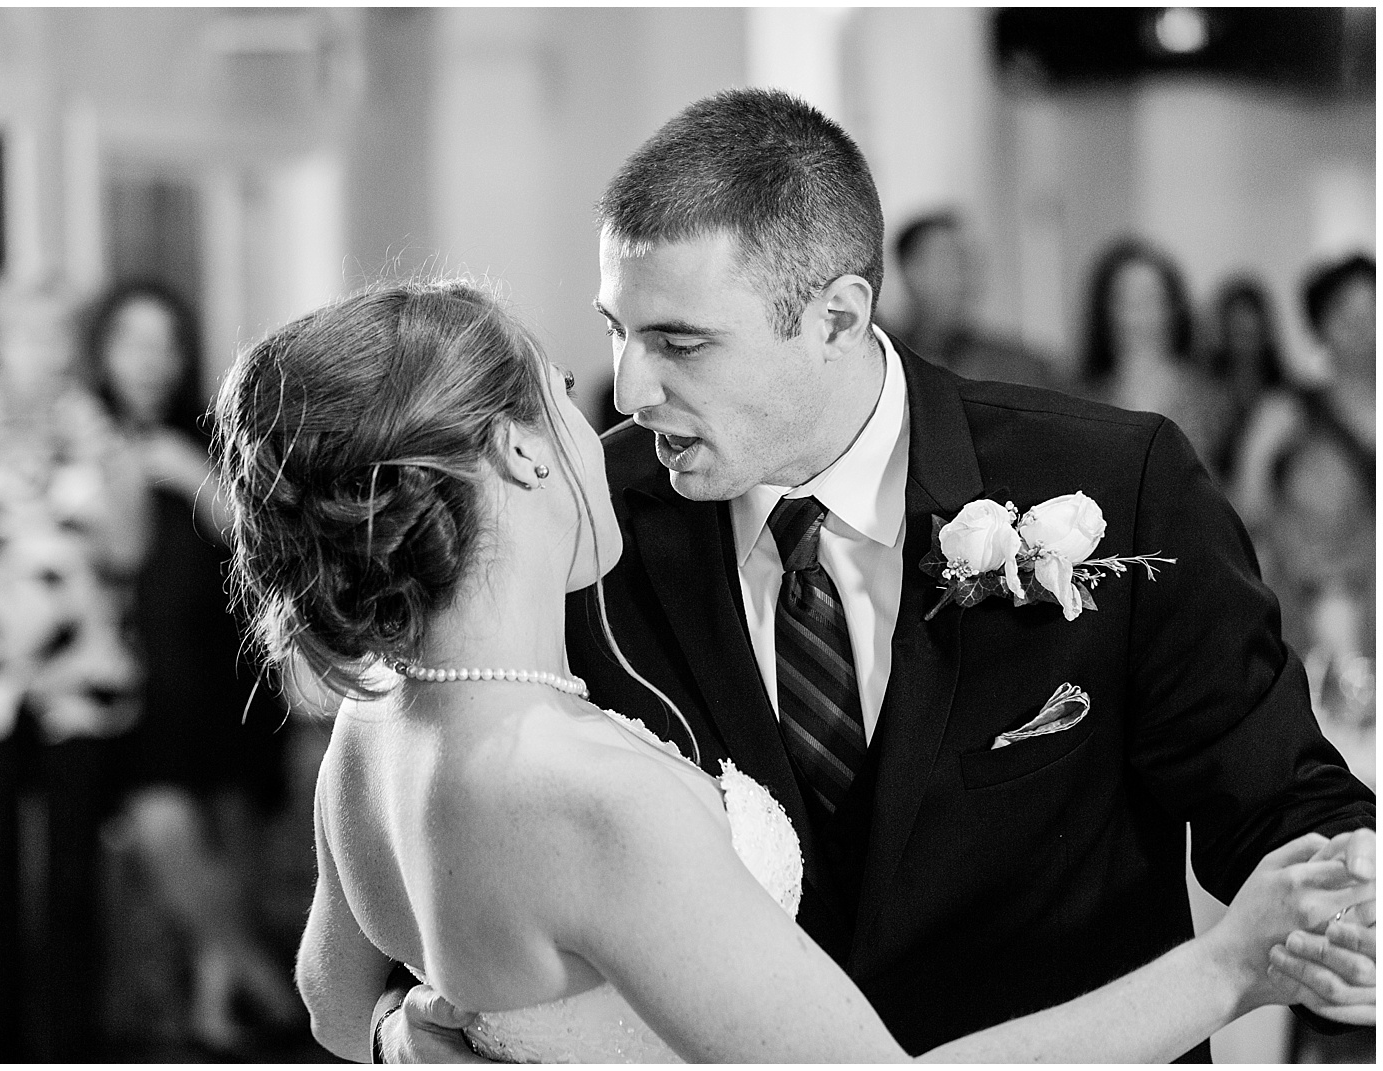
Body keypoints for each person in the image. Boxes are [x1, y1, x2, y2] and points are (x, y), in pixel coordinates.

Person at [370, 89, 1377, 1062]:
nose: (631, 391)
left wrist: (1350, 912)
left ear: (838, 319)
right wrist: (408, 1028)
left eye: (679, 343)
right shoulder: (584, 528)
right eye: (615, 333)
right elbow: (449, 808)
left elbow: (1278, 798)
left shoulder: (1112, 481)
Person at [0, 273, 149, 1060]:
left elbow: (128, 551)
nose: (45, 350)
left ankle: (69, 1046)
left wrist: (101, 456)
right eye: (26, 333)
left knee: (74, 883)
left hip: (82, 673)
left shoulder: (95, 423)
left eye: (57, 333)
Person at [83, 280, 305, 1055]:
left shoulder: (210, 434)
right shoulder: (80, 434)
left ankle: (217, 1001)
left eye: (165, 343)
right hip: (130, 677)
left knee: (226, 830)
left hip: (219, 666)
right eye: (131, 341)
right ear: (102, 350)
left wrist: (187, 473)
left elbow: (265, 544)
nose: (150, 360)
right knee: (162, 821)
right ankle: (267, 983)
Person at [1231, 254, 1376, 529]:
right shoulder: (1285, 411)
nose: (1362, 329)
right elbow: (1247, 509)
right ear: (1319, 324)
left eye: (1373, 314)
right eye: (1347, 315)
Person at [1079, 238, 1232, 473]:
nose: (1140, 315)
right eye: (1127, 301)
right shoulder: (1085, 402)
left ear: (1173, 307)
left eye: (1150, 299)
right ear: (1105, 310)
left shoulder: (1209, 399)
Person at [886, 211, 1061, 389]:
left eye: (971, 262)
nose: (967, 276)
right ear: (911, 271)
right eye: (952, 261)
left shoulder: (1022, 369)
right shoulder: (881, 361)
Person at [1204, 275, 1286, 483]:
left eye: (1250, 332)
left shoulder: (1285, 395)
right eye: (1237, 332)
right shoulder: (1206, 392)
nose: (1244, 343)